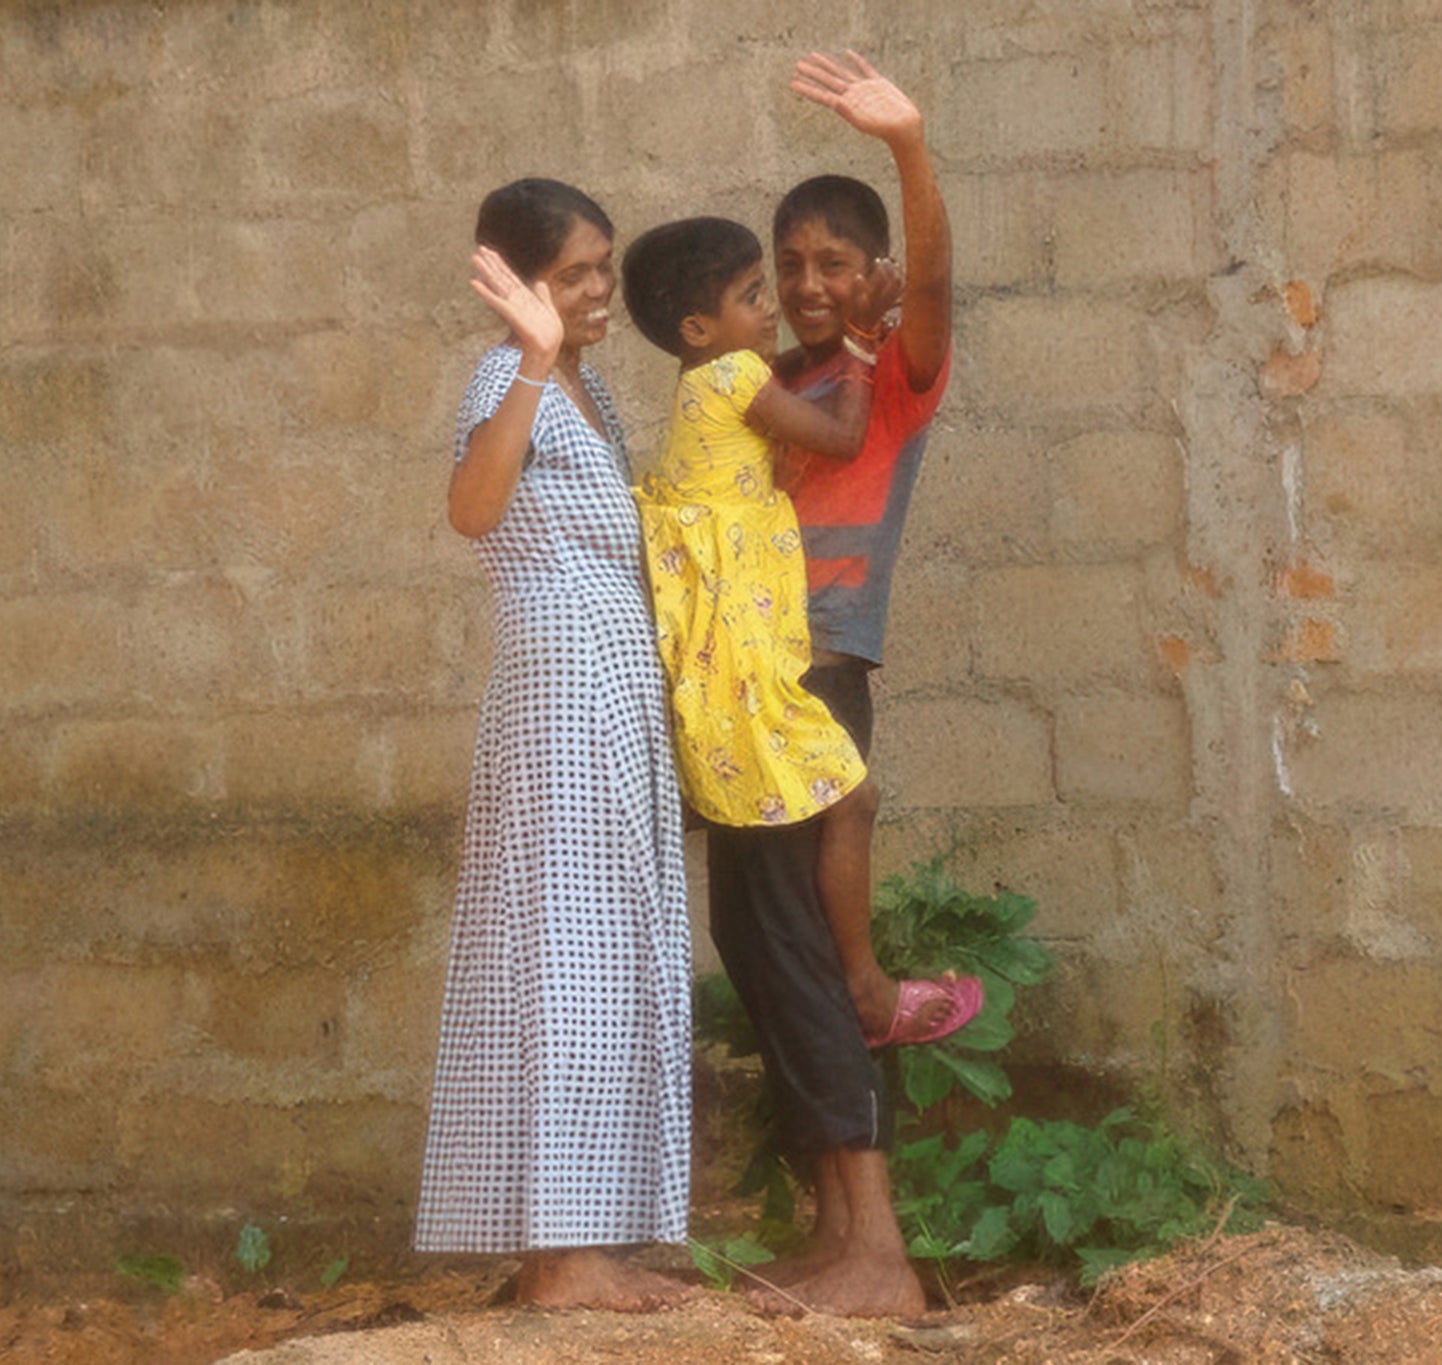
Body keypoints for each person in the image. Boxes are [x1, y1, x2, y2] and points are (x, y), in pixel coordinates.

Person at [706, 51, 955, 1318]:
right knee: (752, 936)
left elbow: (936, 294)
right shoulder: (775, 391)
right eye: (787, 264)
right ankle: (831, 1231)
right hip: (746, 692)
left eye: (832, 263)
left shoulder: (886, 378)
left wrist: (907, 149)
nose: (808, 284)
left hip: (814, 685)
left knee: (798, 940)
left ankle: (878, 1254)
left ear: (873, 281)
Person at [414, 178, 692, 1313]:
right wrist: (528, 358)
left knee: (598, 957)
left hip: (611, 698)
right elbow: (473, 511)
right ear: (520, 281)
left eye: (601, 267)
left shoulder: (599, 393)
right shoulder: (510, 376)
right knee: (563, 957)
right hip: (563, 698)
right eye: (574, 271)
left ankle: (569, 1246)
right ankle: (563, 1258)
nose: (597, 290)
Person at [620, 217, 981, 1053]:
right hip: (750, 653)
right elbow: (845, 437)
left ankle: (857, 993)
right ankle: (862, 989)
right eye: (756, 293)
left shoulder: (706, 382)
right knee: (851, 802)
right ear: (698, 331)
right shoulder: (736, 376)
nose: (775, 306)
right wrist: (859, 340)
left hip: (733, 643)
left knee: (829, 823)